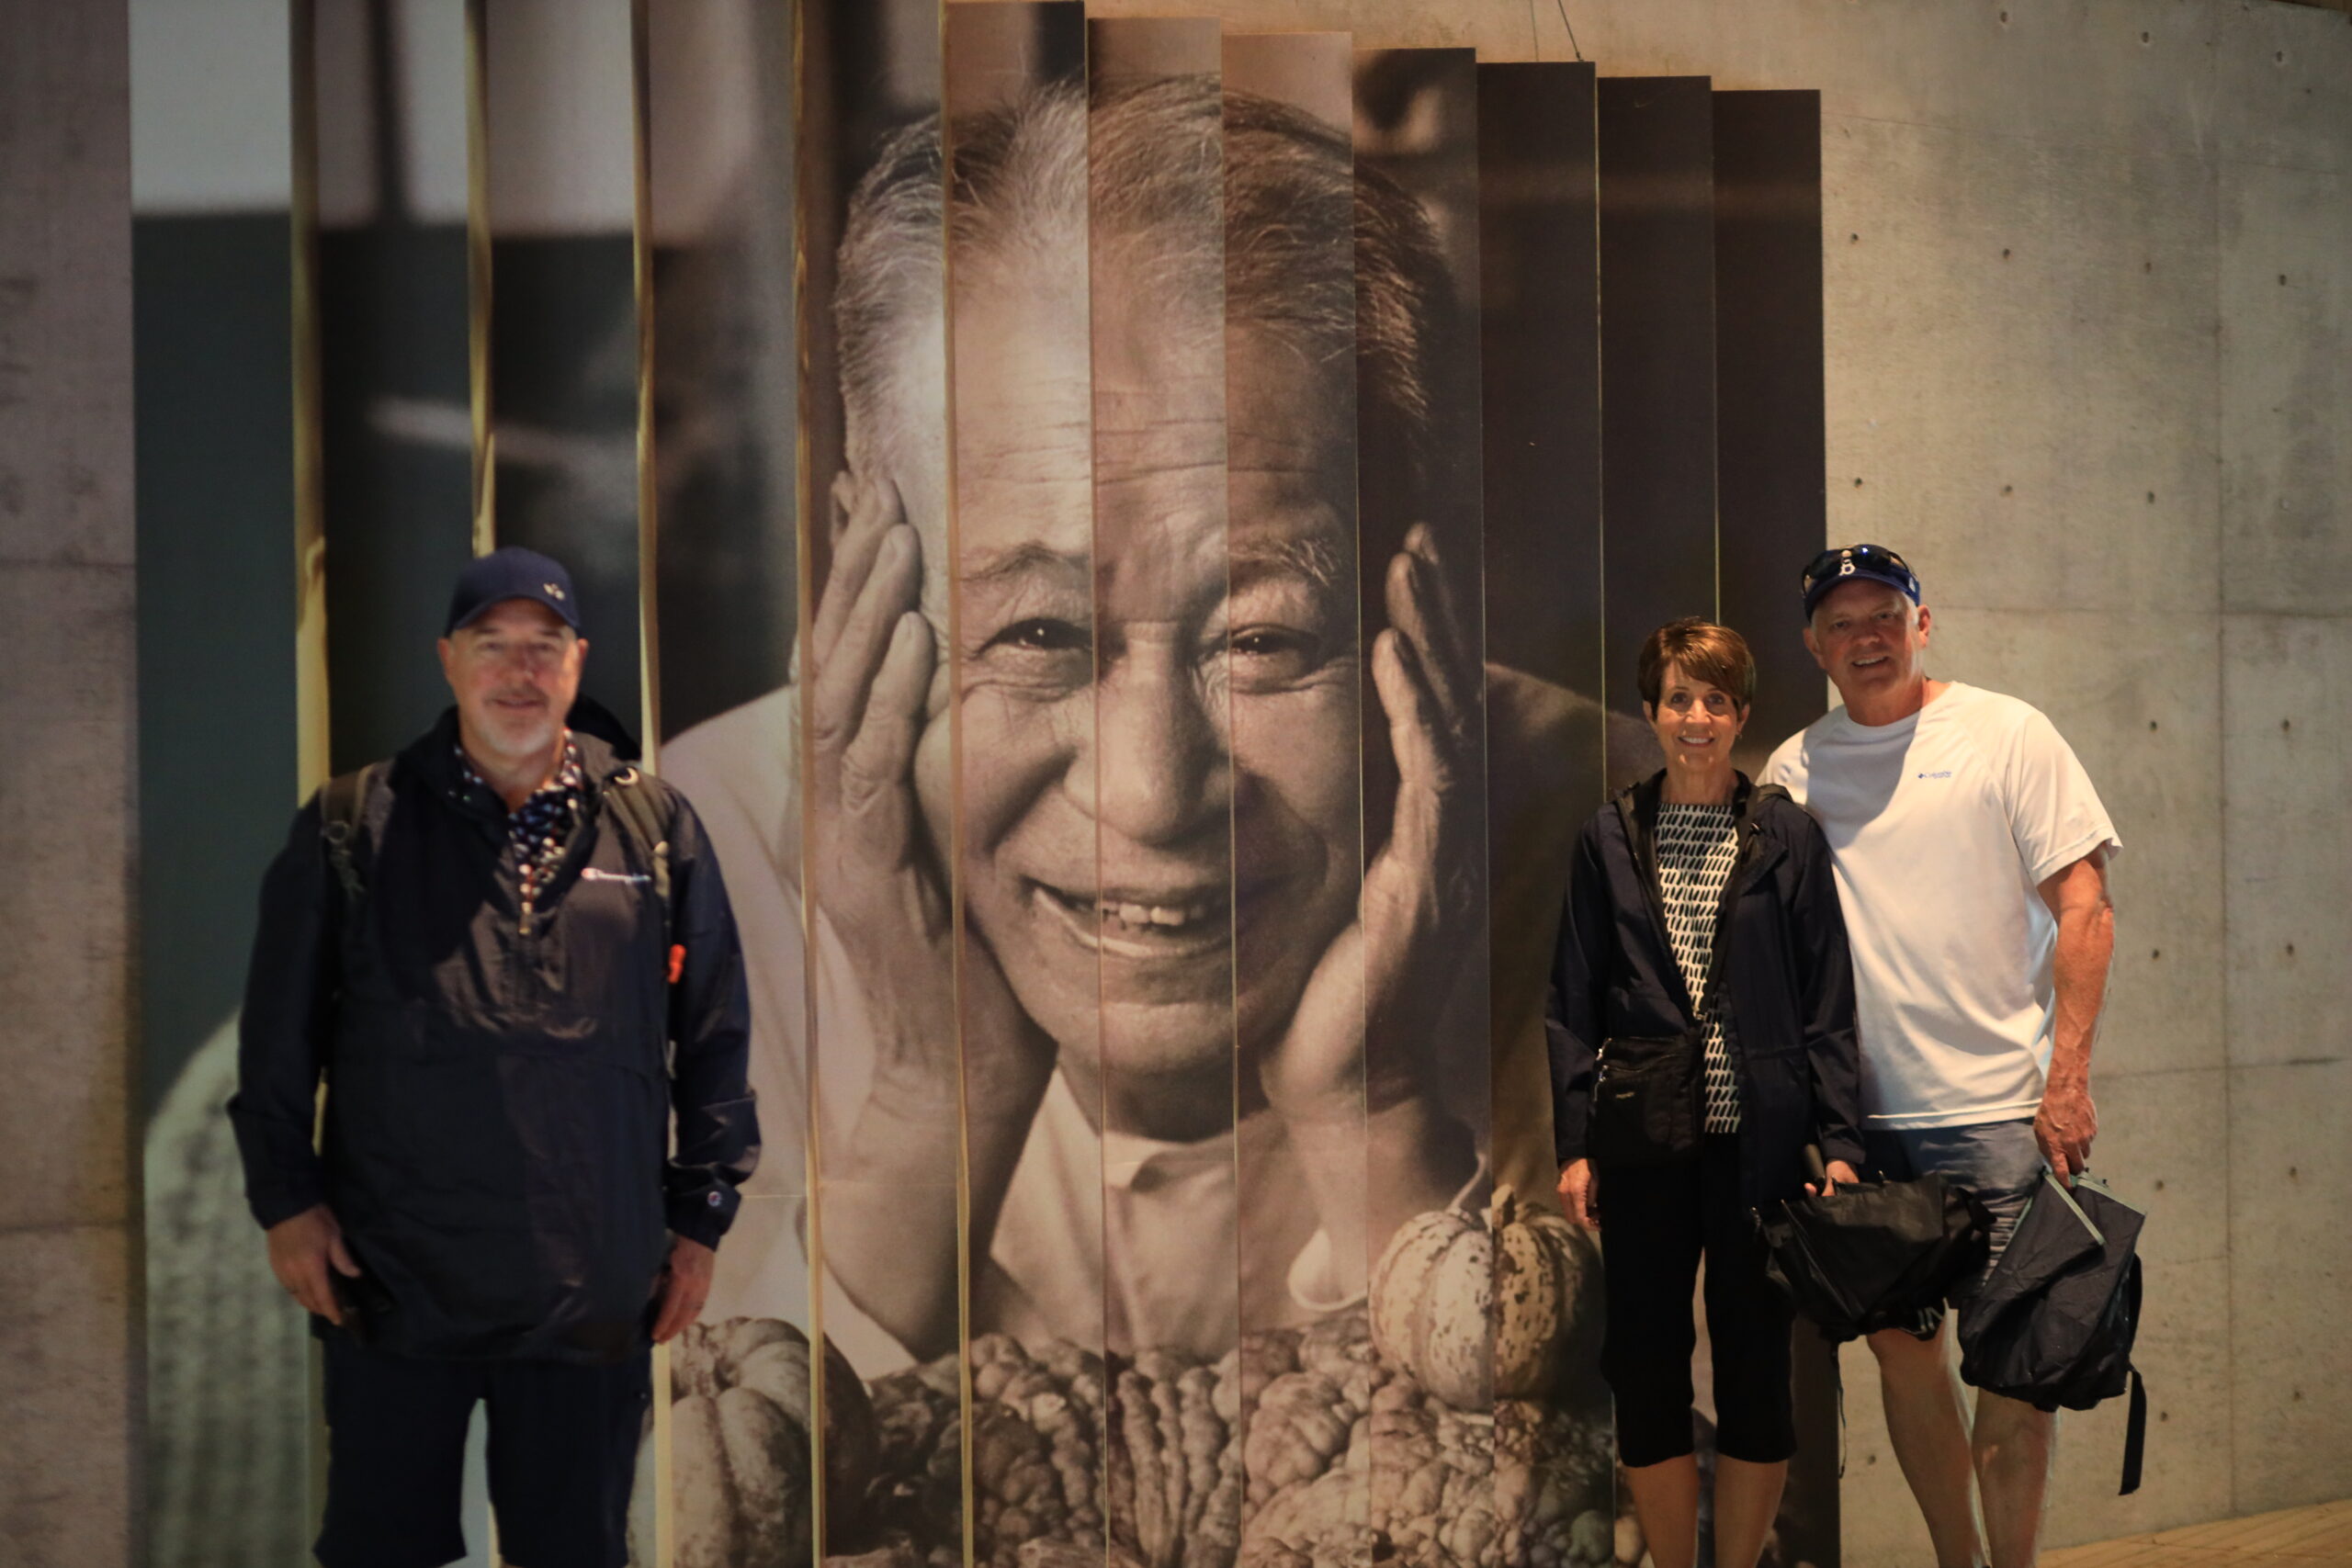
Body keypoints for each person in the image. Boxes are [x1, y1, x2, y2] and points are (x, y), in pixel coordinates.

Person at [663, 76, 1635, 1370]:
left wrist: (1380, 1116)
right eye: (1039, 634)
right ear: (860, 568)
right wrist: (928, 1105)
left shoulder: (1648, 855)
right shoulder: (684, 863)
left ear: (1430, 577)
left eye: (1261, 639)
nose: (1152, 793)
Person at [231, 546, 759, 1568]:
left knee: (574, 1550)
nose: (519, 672)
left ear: (576, 662)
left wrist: (699, 1221)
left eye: (543, 648)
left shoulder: (653, 829)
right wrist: (285, 1203)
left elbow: (714, 1034)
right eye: (493, 645)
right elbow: (277, 1040)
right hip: (392, 1279)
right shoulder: (352, 825)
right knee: (381, 1549)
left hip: (593, 1286)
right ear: (447, 659)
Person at [1763, 544, 2119, 1568]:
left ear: (1924, 623)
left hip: (2002, 1115)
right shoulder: (1796, 767)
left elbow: (2085, 907)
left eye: (1885, 616)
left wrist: (2067, 1080)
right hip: (1863, 1125)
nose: (1864, 638)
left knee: (2014, 1368)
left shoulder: (2009, 734)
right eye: (1841, 624)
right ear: (1813, 646)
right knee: (1901, 1357)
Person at [1545, 618, 1866, 1568]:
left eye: (1715, 701)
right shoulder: (1607, 837)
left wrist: (1840, 1140)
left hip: (1761, 1149)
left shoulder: (1785, 837)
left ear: (1740, 716)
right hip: (1644, 1142)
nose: (1696, 718)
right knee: (1644, 1365)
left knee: (1756, 1368)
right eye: (1678, 699)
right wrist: (1573, 1142)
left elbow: (1828, 1002)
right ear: (1650, 712)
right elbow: (1569, 1002)